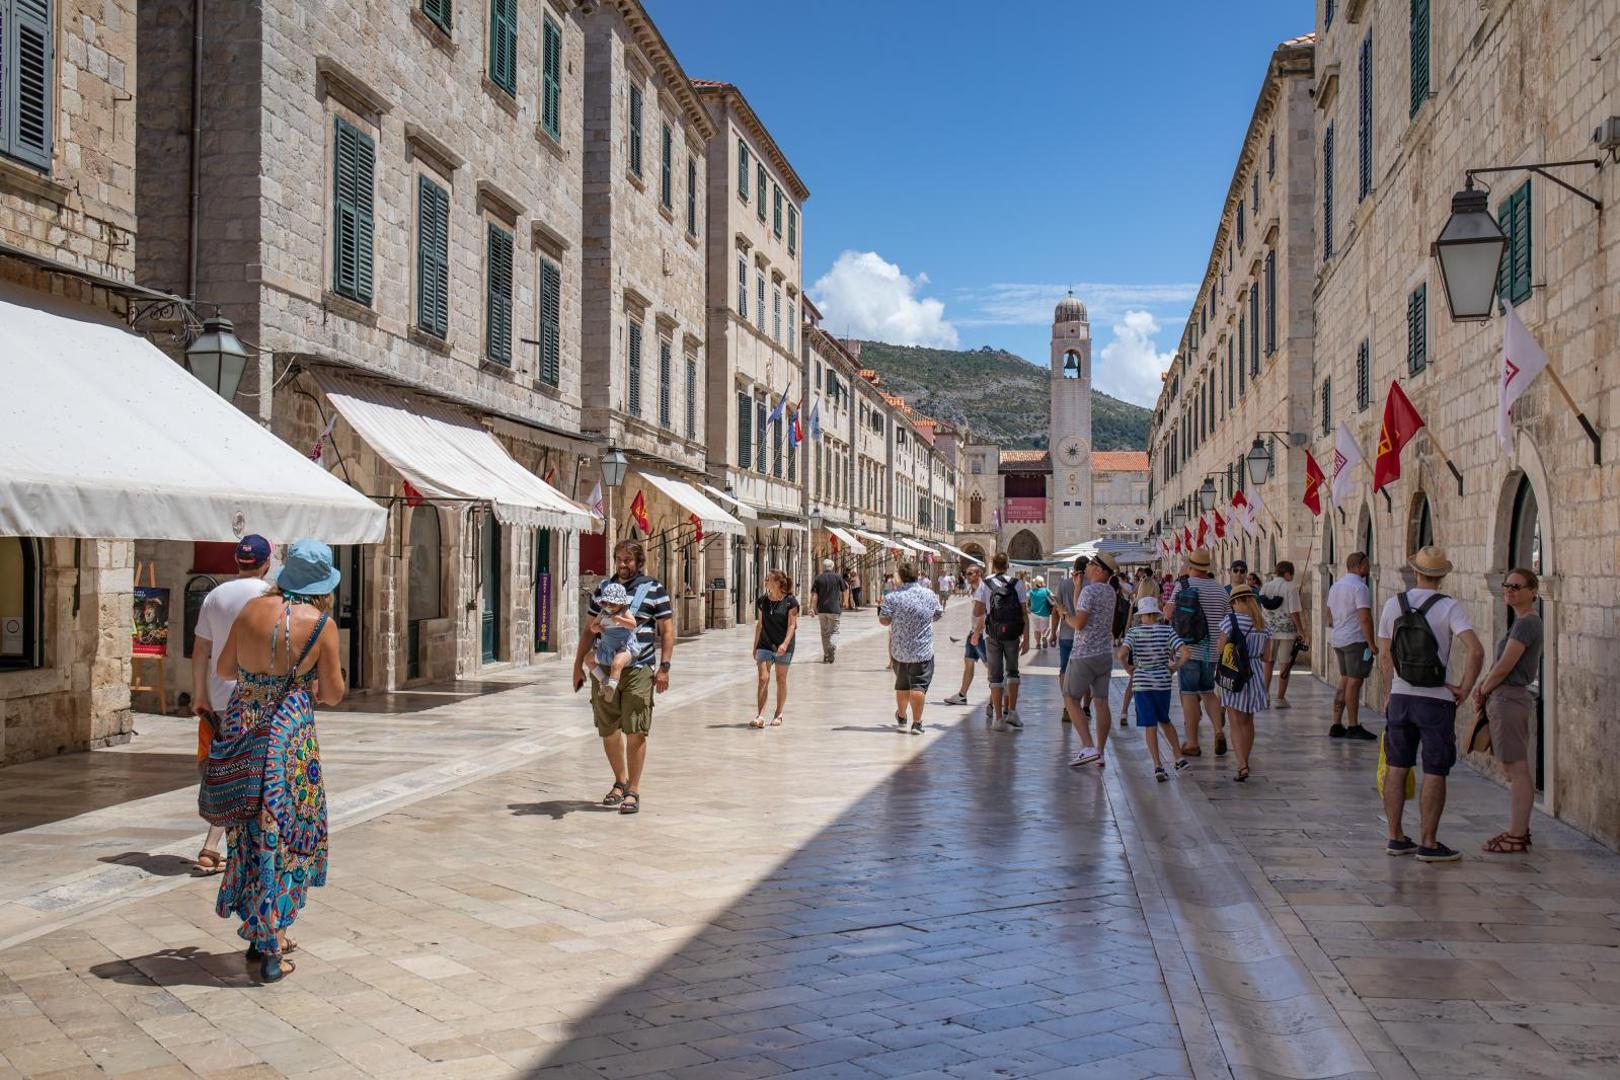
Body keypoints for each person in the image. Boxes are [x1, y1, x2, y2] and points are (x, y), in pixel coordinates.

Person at [212, 539, 345, 983]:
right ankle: (273, 945)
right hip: (289, 737)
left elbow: (225, 670)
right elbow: (332, 693)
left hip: (244, 728)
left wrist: (258, 678)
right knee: (286, 836)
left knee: (249, 832)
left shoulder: (250, 610)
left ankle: (255, 931)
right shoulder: (320, 625)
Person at [1377, 546, 1485, 863]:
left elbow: (1385, 656)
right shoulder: (1448, 606)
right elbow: (1476, 651)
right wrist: (1464, 688)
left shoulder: (1393, 604)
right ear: (1442, 576)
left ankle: (1395, 837)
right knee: (1435, 770)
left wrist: (1389, 692)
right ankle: (1428, 842)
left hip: (1400, 696)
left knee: (1397, 767)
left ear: (1416, 572)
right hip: (1436, 699)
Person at [188, 534, 273, 875]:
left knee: (227, 769)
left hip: (221, 695)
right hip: (260, 696)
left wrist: (199, 694)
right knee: (254, 774)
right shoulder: (271, 597)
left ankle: (215, 848)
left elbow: (200, 650)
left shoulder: (215, 596)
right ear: (267, 563)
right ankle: (220, 848)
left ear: (238, 561)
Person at [573, 540, 674, 816]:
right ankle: (619, 780)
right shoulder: (604, 589)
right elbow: (588, 630)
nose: (622, 564)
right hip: (604, 665)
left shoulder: (654, 589)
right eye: (619, 558)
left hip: (639, 666)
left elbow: (666, 631)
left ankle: (633, 790)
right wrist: (577, 666)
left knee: (636, 728)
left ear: (638, 561)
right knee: (608, 729)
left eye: (628, 559)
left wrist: (664, 666)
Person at [1476, 568, 1543, 855]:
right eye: (1507, 585)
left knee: (1517, 769)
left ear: (1532, 592)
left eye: (1517, 586)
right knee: (1512, 767)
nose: (1510, 590)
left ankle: (1517, 835)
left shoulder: (1527, 624)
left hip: (1510, 698)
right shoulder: (1522, 622)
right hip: (1506, 698)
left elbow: (1506, 665)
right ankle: (1518, 830)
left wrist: (1482, 689)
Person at [1120, 596, 1189, 782]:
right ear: (1156, 614)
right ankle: (1178, 757)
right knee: (1165, 720)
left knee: (1150, 725)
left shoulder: (1134, 633)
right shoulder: (1167, 631)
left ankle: (1158, 765)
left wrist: (1128, 668)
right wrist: (1175, 666)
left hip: (1142, 683)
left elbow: (1122, 654)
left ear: (1142, 616)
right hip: (1163, 682)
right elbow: (1185, 653)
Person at [1170, 549, 1229, 757]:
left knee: (1188, 694)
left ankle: (1193, 742)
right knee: (1207, 691)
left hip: (1188, 649)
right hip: (1211, 651)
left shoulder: (1183, 585)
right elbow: (1227, 622)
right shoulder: (1221, 590)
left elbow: (1168, 613)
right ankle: (1219, 731)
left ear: (1191, 565)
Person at [1065, 551, 1120, 766]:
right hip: (1104, 654)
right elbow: (1084, 608)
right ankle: (1100, 752)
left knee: (1070, 698)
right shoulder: (1109, 592)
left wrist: (1064, 615)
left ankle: (1087, 746)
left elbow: (1079, 622)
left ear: (1098, 569)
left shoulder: (1091, 592)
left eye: (1090, 564)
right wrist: (1078, 587)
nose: (1086, 567)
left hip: (1084, 654)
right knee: (1101, 702)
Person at [879, 561, 944, 734]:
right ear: (917, 575)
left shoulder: (892, 597)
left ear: (900, 575)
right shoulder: (929, 595)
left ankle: (901, 717)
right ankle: (917, 723)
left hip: (899, 650)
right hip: (922, 649)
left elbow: (883, 620)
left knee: (902, 684)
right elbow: (938, 614)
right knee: (918, 686)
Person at [1217, 584, 1271, 782]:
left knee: (1234, 721)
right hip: (1255, 674)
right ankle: (1245, 760)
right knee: (1248, 721)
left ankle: (1241, 764)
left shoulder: (1229, 622)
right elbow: (1267, 656)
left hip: (1234, 675)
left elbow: (1219, 649)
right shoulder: (1263, 624)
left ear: (1236, 602)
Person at [971, 552, 1030, 731]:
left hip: (992, 635)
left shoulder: (985, 584)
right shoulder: (1017, 584)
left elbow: (977, 612)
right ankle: (1011, 712)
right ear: (1008, 565)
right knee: (1013, 672)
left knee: (995, 676)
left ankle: (997, 718)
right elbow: (1024, 613)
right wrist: (1026, 639)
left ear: (993, 564)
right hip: (1013, 634)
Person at [1326, 552, 1380, 740]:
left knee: (1345, 679)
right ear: (1360, 565)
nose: (1369, 567)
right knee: (1354, 683)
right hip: (1355, 640)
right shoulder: (1360, 587)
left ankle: (1336, 723)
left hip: (1339, 638)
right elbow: (1365, 617)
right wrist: (1372, 643)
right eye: (1367, 564)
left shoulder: (1336, 586)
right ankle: (1353, 725)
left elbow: (1329, 614)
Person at [750, 569, 799, 727]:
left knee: (780, 680)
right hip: (765, 644)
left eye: (768, 579)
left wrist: (784, 644)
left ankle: (778, 714)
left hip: (783, 645)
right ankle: (760, 716)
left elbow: (792, 625)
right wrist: (755, 646)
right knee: (763, 678)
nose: (765, 581)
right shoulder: (762, 601)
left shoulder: (791, 602)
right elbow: (760, 625)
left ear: (777, 583)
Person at [1261, 561, 1309, 708]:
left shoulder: (1265, 586)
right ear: (1288, 573)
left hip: (1269, 631)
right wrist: (1301, 631)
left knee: (1268, 663)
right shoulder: (1290, 587)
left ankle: (1265, 696)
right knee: (1284, 665)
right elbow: (1294, 612)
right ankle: (1280, 698)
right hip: (1286, 632)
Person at [586, 583, 639, 699]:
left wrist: (620, 620)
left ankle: (611, 687)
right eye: (606, 603)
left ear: (621, 603)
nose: (609, 606)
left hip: (623, 647)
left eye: (613, 604)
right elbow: (593, 626)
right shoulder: (603, 613)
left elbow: (633, 624)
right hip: (606, 648)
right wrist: (597, 628)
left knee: (617, 664)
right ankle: (604, 680)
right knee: (588, 659)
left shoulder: (624, 612)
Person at [943, 563, 985, 706]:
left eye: (970, 573)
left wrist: (977, 633)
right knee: (968, 662)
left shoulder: (983, 589)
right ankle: (962, 695)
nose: (967, 576)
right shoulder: (973, 590)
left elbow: (985, 614)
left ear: (979, 574)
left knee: (991, 667)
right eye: (966, 573)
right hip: (973, 632)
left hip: (981, 635)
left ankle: (1001, 695)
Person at [810, 558, 846, 664]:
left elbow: (815, 595)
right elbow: (845, 590)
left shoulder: (818, 578)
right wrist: (845, 602)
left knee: (824, 633)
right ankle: (832, 647)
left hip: (822, 610)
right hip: (834, 609)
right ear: (832, 567)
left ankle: (826, 655)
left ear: (823, 567)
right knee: (834, 631)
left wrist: (813, 608)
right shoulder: (838, 577)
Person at [1028, 575, 1053, 648]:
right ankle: (1044, 636)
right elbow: (1053, 596)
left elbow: (1026, 598)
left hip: (1034, 613)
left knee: (1036, 630)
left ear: (1035, 583)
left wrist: (1027, 608)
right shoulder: (1046, 590)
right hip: (1045, 613)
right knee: (1047, 628)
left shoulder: (1031, 591)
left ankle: (1038, 644)